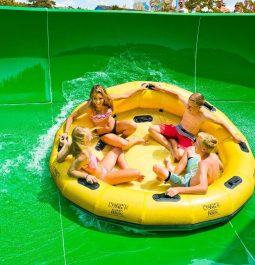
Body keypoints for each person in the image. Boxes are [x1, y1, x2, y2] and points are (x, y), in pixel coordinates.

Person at [148, 83, 243, 161]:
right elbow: (177, 95)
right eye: (188, 105)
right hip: (177, 128)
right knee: (152, 129)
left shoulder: (204, 115)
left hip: (187, 137)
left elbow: (222, 122)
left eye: (191, 107)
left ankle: (173, 143)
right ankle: (171, 147)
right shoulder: (187, 104)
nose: (188, 108)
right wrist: (161, 88)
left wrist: (234, 136)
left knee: (179, 157)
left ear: (199, 107)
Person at [60, 84, 147, 150]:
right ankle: (136, 141)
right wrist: (66, 132)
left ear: (104, 97)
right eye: (94, 98)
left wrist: (140, 88)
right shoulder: (88, 107)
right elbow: (71, 117)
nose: (97, 102)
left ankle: (119, 140)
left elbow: (125, 95)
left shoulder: (108, 99)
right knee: (124, 145)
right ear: (91, 97)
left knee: (133, 126)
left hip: (115, 125)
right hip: (105, 134)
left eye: (100, 98)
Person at [57, 126, 144, 185]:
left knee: (118, 149)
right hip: (104, 177)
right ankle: (127, 174)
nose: (91, 138)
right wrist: (86, 176)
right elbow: (70, 171)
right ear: (83, 141)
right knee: (137, 173)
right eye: (89, 137)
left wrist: (64, 144)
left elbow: (59, 159)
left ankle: (126, 171)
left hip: (102, 167)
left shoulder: (73, 144)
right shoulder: (83, 156)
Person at [153, 132, 224, 196]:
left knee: (156, 168)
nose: (193, 143)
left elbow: (203, 188)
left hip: (186, 182)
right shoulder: (214, 156)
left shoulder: (203, 164)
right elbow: (221, 168)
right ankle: (170, 169)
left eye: (196, 142)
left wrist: (178, 189)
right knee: (190, 151)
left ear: (203, 149)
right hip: (194, 172)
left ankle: (169, 166)